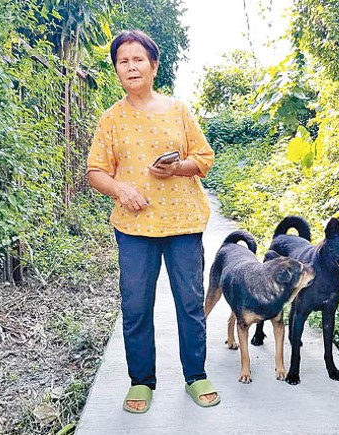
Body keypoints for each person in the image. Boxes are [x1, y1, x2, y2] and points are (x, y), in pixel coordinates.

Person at [86, 29, 219, 414]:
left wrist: (178, 168)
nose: (131, 66)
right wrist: (120, 190)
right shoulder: (111, 119)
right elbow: (96, 171)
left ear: (153, 65)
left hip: (183, 223)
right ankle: (141, 380)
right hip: (134, 228)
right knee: (137, 305)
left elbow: (204, 158)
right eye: (123, 61)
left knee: (191, 303)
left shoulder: (178, 110)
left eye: (137, 59)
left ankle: (195, 374)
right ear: (116, 70)